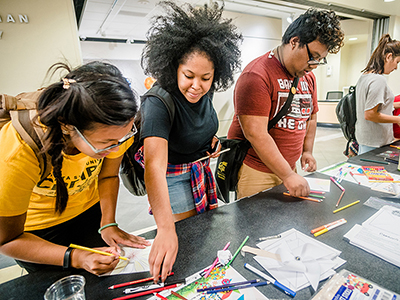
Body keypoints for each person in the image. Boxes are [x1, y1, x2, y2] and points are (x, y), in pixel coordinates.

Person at [0, 61, 151, 275]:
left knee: (102, 274)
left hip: (88, 213)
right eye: (107, 142)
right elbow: (7, 240)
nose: (117, 147)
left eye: (122, 138)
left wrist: (107, 223)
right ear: (67, 125)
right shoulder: (19, 150)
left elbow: (107, 176)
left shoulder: (116, 129)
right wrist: (75, 257)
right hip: (37, 232)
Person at [138, 1, 242, 282]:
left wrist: (210, 142)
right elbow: (154, 167)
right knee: (186, 241)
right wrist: (164, 227)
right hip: (171, 179)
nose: (196, 86)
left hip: (200, 170)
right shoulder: (158, 102)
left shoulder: (203, 93)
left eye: (206, 78)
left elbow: (199, 125)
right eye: (188, 76)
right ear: (174, 67)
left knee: (206, 233)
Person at [227, 9, 344, 199]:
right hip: (257, 171)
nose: (314, 65)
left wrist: (307, 151)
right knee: (254, 227)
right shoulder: (256, 75)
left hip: (289, 168)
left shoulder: (308, 77)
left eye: (320, 60)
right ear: (294, 41)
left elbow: (311, 117)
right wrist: (288, 175)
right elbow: (255, 133)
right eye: (313, 56)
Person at [355, 34, 400, 154]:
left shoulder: (365, 76)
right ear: (389, 56)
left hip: (366, 141)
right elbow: (370, 114)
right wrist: (397, 119)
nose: (396, 67)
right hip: (375, 144)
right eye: (397, 62)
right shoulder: (378, 80)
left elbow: (378, 106)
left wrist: (397, 105)